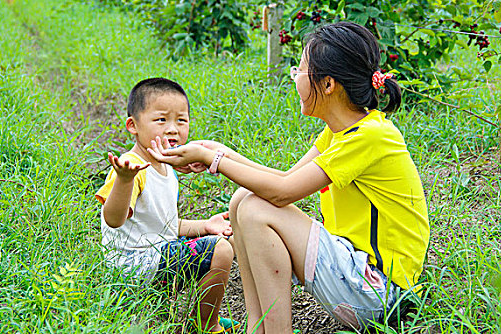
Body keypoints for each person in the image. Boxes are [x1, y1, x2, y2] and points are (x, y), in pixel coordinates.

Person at [149, 22, 430, 333]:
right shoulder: (342, 132)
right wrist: (220, 152)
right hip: (355, 273)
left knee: (257, 209)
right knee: (243, 198)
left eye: (300, 68)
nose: (294, 76)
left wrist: (212, 160)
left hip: (379, 291)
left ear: (327, 85)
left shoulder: (370, 137)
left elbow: (282, 193)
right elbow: (285, 178)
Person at [95, 77, 240, 334]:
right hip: (131, 265)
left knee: (219, 239)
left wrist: (205, 225)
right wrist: (124, 181)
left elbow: (163, 225)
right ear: (133, 125)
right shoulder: (132, 167)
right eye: (161, 120)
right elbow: (113, 219)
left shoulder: (165, 168)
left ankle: (170, 313)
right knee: (220, 249)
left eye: (181, 120)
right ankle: (206, 325)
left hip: (154, 255)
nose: (173, 129)